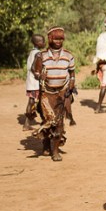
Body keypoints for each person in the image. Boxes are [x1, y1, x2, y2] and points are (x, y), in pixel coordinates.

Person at [31, 27, 76, 161]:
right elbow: (35, 71)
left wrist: (71, 85)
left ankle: (55, 151)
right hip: (46, 94)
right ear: (50, 39)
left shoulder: (68, 55)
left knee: (59, 123)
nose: (58, 41)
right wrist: (40, 76)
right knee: (48, 121)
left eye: (60, 39)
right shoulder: (41, 55)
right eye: (56, 38)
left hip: (62, 94)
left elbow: (72, 73)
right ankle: (46, 145)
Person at [23, 34, 44, 130]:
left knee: (32, 101)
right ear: (37, 43)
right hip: (34, 82)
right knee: (32, 102)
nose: (44, 43)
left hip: (30, 81)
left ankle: (29, 123)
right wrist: (38, 76)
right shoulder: (38, 53)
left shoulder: (32, 52)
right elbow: (33, 67)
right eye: (42, 41)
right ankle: (26, 124)